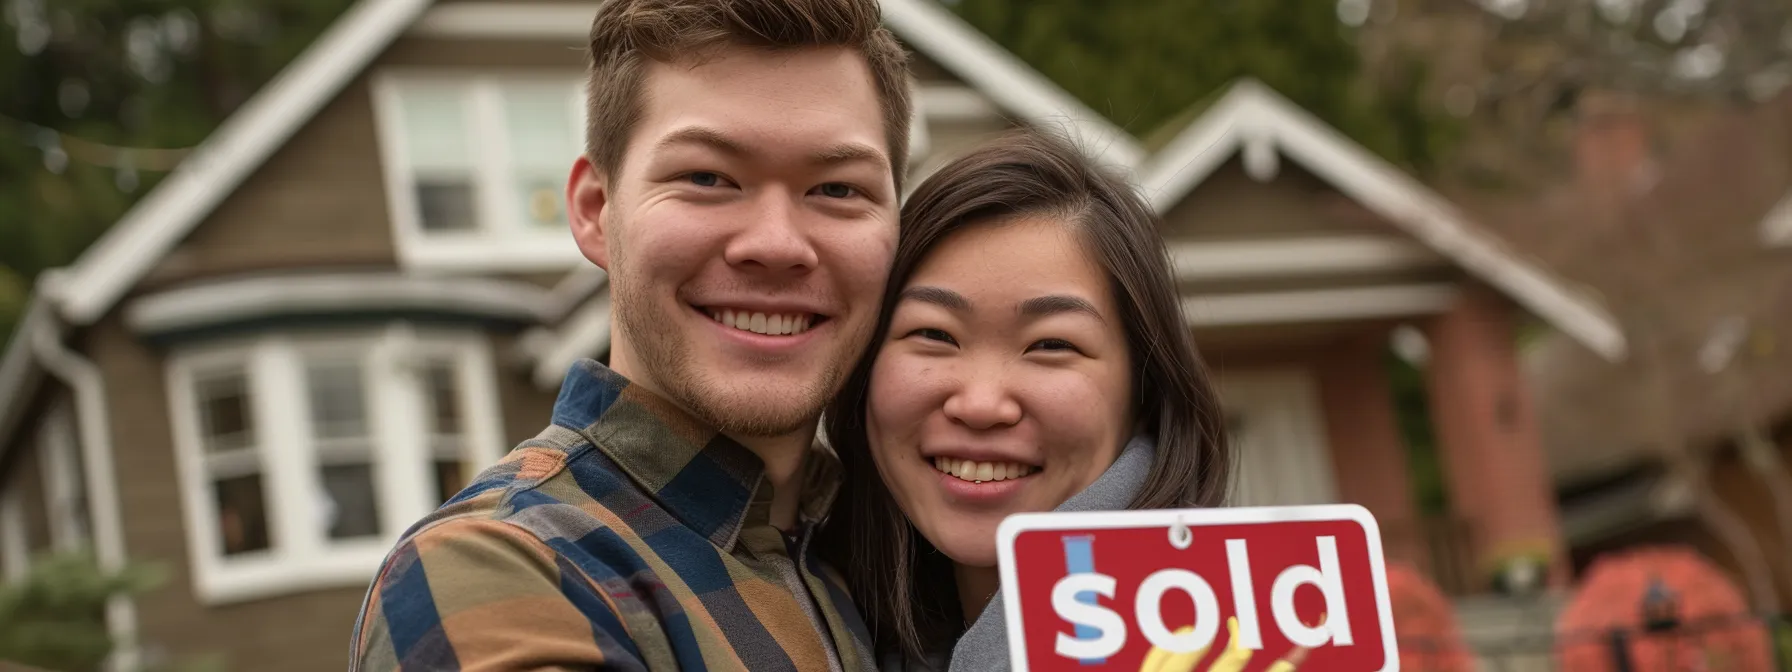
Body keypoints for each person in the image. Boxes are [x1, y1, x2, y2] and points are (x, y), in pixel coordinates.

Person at [349, 0, 911, 668]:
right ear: (594, 211)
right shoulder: (505, 568)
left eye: (839, 189)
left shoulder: (893, 556)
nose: (777, 244)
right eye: (706, 178)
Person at [818, 129, 1259, 670]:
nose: (980, 404)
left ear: (1144, 389)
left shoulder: (1244, 638)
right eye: (934, 334)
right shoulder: (826, 624)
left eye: (1051, 344)